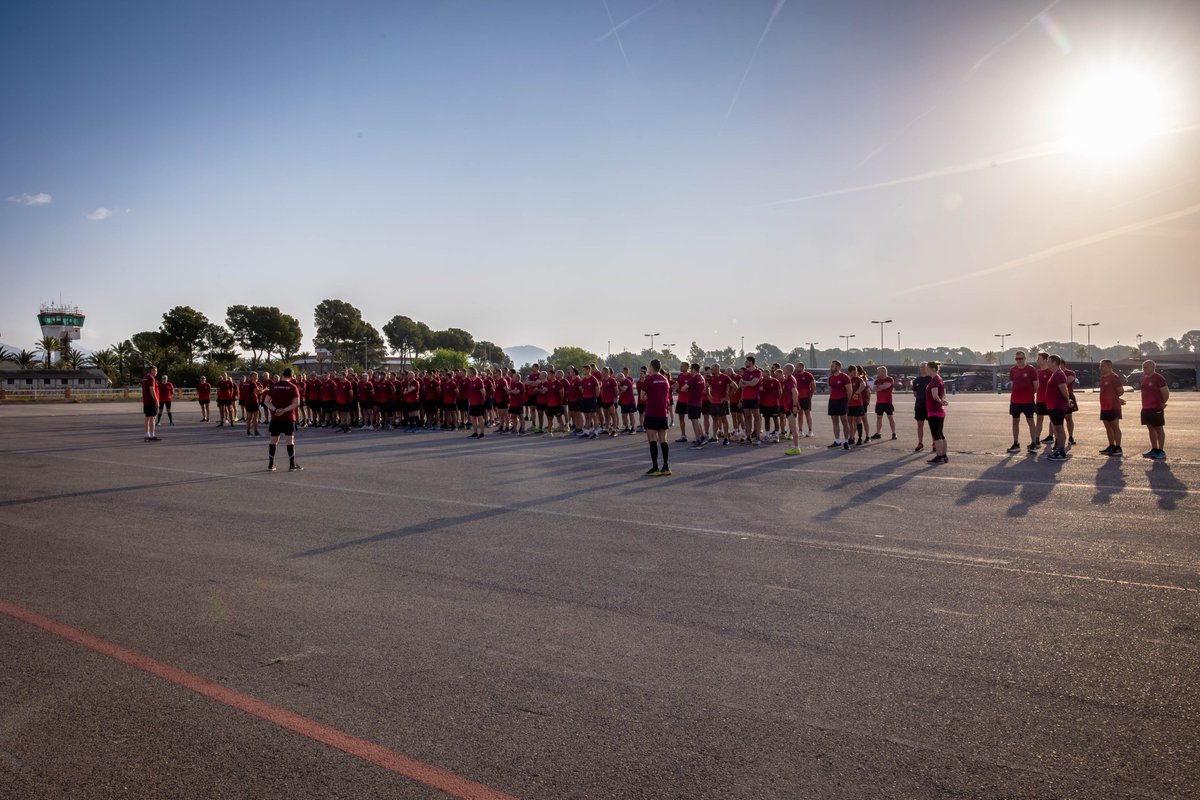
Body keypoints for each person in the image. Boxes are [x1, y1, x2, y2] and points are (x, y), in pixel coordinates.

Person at [265, 368, 303, 472]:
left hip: (275, 417)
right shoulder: (293, 387)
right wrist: (284, 410)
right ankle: (292, 465)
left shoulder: (274, 386)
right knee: (290, 440)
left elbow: (266, 401)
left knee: (273, 440)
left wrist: (276, 409)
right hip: (288, 417)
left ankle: (270, 464)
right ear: (292, 376)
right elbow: (296, 403)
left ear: (282, 374)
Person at [642, 359, 672, 476]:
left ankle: (655, 467)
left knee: (652, 439)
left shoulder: (649, 379)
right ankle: (666, 466)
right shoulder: (665, 380)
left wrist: (649, 396)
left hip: (652, 413)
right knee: (663, 440)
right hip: (663, 413)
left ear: (651, 367)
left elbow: (643, 397)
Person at [1006, 351, 1039, 453]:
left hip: (1028, 401)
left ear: (1025, 358)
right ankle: (1016, 443)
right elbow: (1012, 384)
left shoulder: (1031, 369)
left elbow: (1036, 386)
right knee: (1015, 421)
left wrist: (1030, 394)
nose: (1019, 361)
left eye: (1021, 358)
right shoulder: (1013, 370)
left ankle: (1033, 443)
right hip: (1015, 400)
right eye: (1017, 359)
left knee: (1030, 421)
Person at [1139, 359, 1169, 460]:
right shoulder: (1144, 378)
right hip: (1146, 408)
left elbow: (1165, 393)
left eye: (1146, 367)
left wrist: (1161, 404)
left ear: (1152, 367)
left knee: (1158, 428)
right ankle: (1154, 449)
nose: (1144, 369)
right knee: (1150, 428)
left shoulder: (1159, 378)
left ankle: (1161, 451)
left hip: (1156, 408)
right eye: (1143, 367)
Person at [1044, 355, 1071, 461]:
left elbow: (1064, 390)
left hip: (1058, 405)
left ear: (1054, 362)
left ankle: (1061, 452)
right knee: (1057, 428)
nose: (1047, 362)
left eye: (1049, 361)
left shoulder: (1059, 374)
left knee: (1059, 428)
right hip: (1052, 406)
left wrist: (1067, 401)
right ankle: (1059, 450)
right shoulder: (1054, 374)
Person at [1097, 359, 1125, 456]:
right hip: (1104, 407)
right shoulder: (1102, 378)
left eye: (1103, 365)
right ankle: (1111, 446)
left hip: (1113, 406)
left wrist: (1116, 399)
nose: (1101, 367)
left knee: (1115, 427)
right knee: (1107, 427)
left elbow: (1121, 391)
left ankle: (1118, 447)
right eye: (1101, 365)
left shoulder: (1114, 377)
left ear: (1109, 366)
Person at [925, 361, 948, 464]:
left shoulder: (934, 380)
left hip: (934, 411)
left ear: (933, 369)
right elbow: (943, 393)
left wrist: (940, 401)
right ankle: (944, 455)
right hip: (940, 410)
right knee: (941, 434)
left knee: (936, 435)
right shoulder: (940, 379)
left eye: (927, 368)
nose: (926, 370)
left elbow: (935, 395)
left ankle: (939, 457)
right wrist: (942, 401)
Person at [826, 360, 852, 450]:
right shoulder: (830, 378)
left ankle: (846, 441)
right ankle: (837, 441)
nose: (831, 367)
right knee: (835, 421)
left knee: (844, 420)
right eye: (831, 366)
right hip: (833, 401)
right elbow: (830, 391)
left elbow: (849, 390)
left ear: (838, 367)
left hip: (842, 400)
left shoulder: (844, 377)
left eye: (833, 366)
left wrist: (846, 401)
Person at [739, 356, 763, 445]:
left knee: (756, 417)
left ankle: (757, 437)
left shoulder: (758, 372)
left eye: (746, 361)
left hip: (754, 398)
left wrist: (746, 383)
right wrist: (748, 383)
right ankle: (748, 437)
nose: (745, 363)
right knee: (747, 417)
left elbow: (754, 383)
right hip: (745, 398)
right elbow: (740, 384)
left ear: (751, 362)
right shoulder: (745, 373)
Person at [870, 366, 896, 440]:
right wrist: (880, 387)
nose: (878, 373)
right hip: (879, 403)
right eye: (878, 371)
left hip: (888, 402)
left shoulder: (890, 379)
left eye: (879, 371)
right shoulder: (877, 380)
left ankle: (894, 433)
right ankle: (878, 433)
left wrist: (879, 387)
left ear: (884, 371)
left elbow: (887, 386)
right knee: (879, 418)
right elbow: (874, 389)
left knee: (890, 418)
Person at [686, 363, 707, 447]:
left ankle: (698, 439)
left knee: (694, 421)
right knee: (697, 420)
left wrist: (688, 389)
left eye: (691, 369)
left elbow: (684, 388)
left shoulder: (693, 379)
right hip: (698, 402)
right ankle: (702, 436)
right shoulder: (702, 378)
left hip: (692, 402)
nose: (690, 371)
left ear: (694, 369)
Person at [912, 362, 930, 452]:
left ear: (928, 368)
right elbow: (915, 393)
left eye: (924, 366)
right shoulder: (917, 380)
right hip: (919, 406)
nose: (923, 368)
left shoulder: (931, 379)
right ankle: (920, 443)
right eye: (921, 367)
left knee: (932, 426)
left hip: (930, 407)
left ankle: (935, 443)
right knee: (920, 425)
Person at [795, 362, 815, 437]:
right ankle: (800, 430)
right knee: (800, 414)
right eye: (796, 367)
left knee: (807, 413)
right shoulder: (795, 376)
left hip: (806, 397)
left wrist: (810, 395)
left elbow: (813, 385)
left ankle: (810, 430)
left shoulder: (808, 375)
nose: (797, 368)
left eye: (798, 367)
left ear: (802, 367)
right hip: (798, 398)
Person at [141, 366, 160, 441]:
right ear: (152, 371)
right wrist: (156, 401)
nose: (156, 372)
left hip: (146, 401)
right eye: (155, 371)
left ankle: (147, 435)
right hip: (151, 401)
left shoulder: (144, 378)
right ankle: (152, 435)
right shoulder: (151, 378)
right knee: (153, 418)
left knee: (147, 418)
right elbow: (152, 389)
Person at [240, 372, 262, 437]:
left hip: (247, 402)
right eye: (256, 376)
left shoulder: (245, 383)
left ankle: (248, 432)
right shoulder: (253, 383)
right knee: (255, 417)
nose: (257, 378)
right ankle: (256, 431)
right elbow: (257, 392)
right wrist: (264, 389)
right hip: (254, 402)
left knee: (249, 418)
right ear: (252, 376)